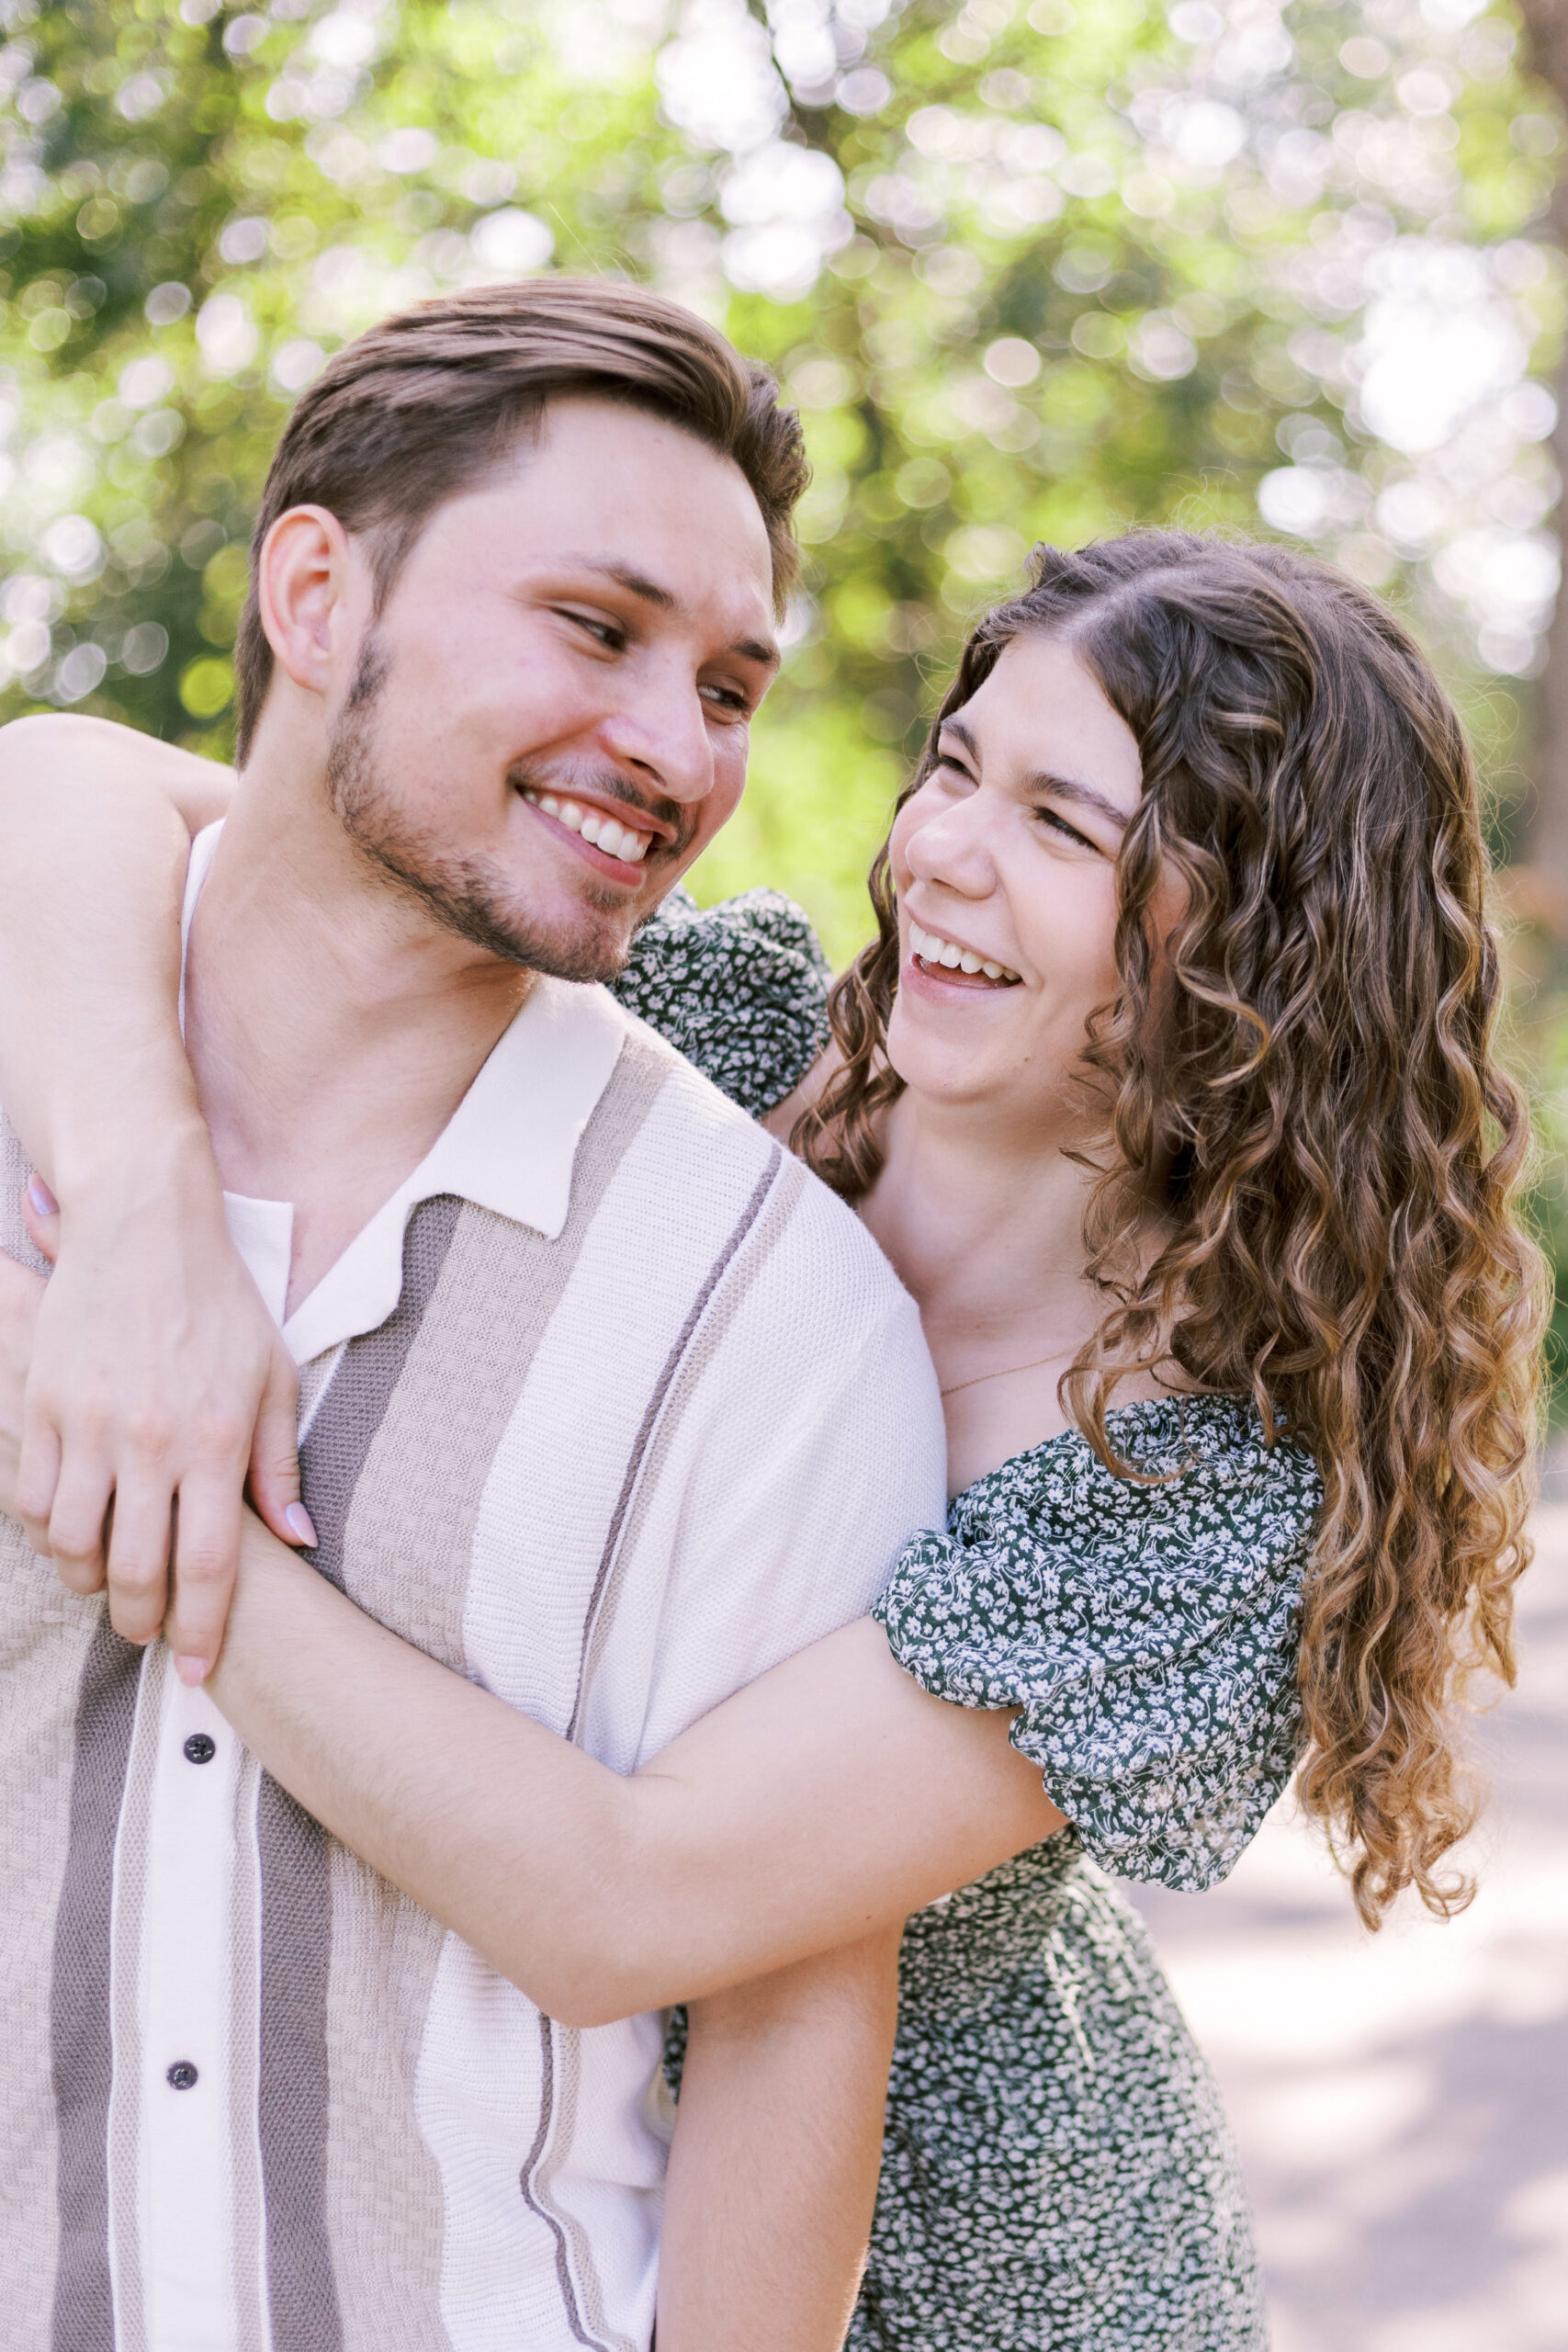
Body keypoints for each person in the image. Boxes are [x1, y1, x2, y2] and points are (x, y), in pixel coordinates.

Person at [0, 530, 1541, 2349]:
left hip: (949, 2276)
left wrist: (141, 1475)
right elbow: (69, 781)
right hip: (475, 2147)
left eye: (1063, 826)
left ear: (1267, 943)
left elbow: (626, 1898)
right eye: (955, 767)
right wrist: (137, 1217)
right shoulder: (698, 1046)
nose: (944, 854)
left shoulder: (1192, 1488)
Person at [0, 279, 966, 2352]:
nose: (671, 747)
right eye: (595, 628)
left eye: (725, 684)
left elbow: (788, 2023)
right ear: (316, 589)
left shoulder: (765, 1313)